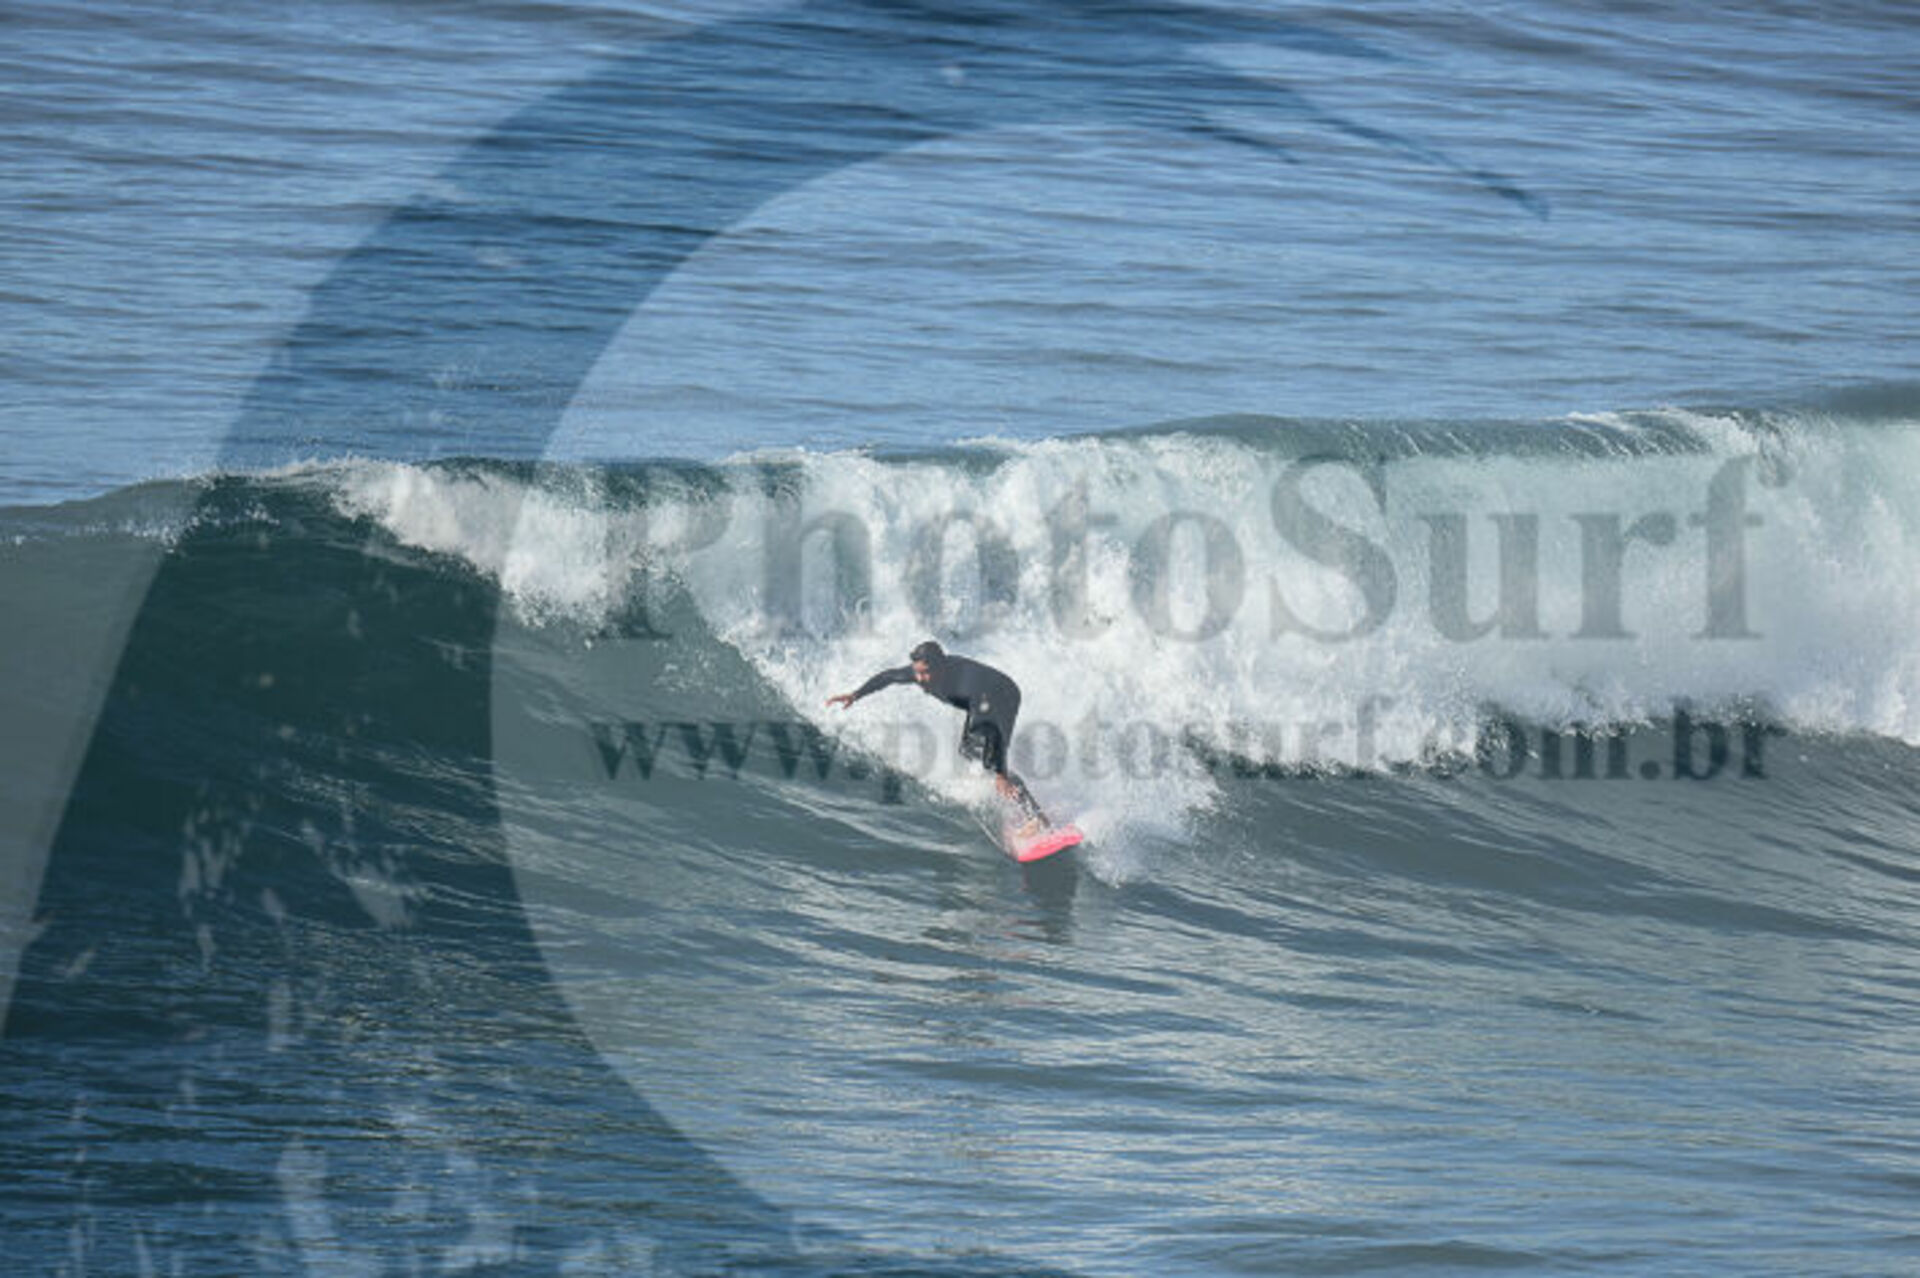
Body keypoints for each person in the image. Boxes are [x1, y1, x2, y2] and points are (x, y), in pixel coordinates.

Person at [827, 640, 1049, 835]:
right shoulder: (920, 674)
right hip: (981, 701)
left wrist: (1000, 773)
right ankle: (1004, 779)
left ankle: (1036, 817)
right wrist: (856, 694)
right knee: (967, 750)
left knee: (994, 761)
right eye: (917, 672)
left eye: (926, 673)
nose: (920, 679)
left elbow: (992, 728)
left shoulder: (965, 684)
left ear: (941, 667)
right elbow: (889, 677)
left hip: (1003, 696)